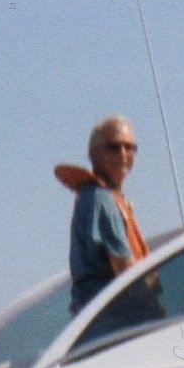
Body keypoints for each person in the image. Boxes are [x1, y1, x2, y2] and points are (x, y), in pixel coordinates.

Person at [56, 115, 150, 315]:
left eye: (130, 147)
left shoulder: (98, 196)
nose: (123, 153)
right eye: (114, 147)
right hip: (113, 320)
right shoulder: (101, 199)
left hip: (96, 317)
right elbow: (127, 272)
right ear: (93, 154)